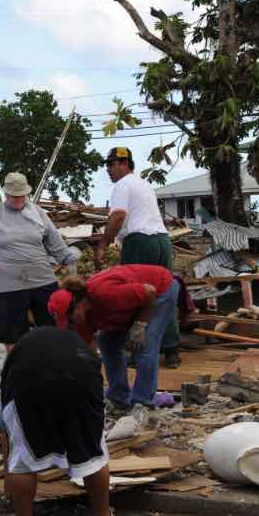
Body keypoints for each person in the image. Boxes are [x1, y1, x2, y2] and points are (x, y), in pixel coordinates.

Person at [0, 327, 129, 516]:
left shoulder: (19, 356)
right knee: (92, 453)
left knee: (23, 458)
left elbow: (10, 440)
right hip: (82, 376)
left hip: (28, 380)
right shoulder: (76, 342)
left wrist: (8, 469)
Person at [0, 172, 79, 351]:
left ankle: (52, 368)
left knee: (53, 328)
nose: (18, 199)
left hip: (42, 279)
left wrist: (68, 259)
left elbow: (54, 240)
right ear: (6, 194)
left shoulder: (37, 212)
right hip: (10, 285)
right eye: (14, 196)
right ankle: (17, 373)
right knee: (13, 334)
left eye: (22, 195)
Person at [48, 264, 179, 412]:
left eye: (70, 321)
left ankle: (142, 402)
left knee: (144, 346)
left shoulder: (104, 293)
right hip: (132, 301)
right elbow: (89, 355)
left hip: (159, 289)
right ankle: (119, 397)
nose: (71, 326)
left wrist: (140, 324)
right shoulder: (80, 318)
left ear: (78, 306)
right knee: (107, 343)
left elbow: (149, 292)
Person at [95, 147, 181, 368]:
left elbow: (118, 216)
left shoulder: (122, 185)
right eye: (108, 165)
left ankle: (136, 350)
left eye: (112, 165)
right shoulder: (144, 185)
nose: (108, 170)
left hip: (139, 242)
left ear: (124, 164)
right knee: (163, 292)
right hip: (162, 240)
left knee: (134, 295)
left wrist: (104, 244)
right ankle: (171, 350)